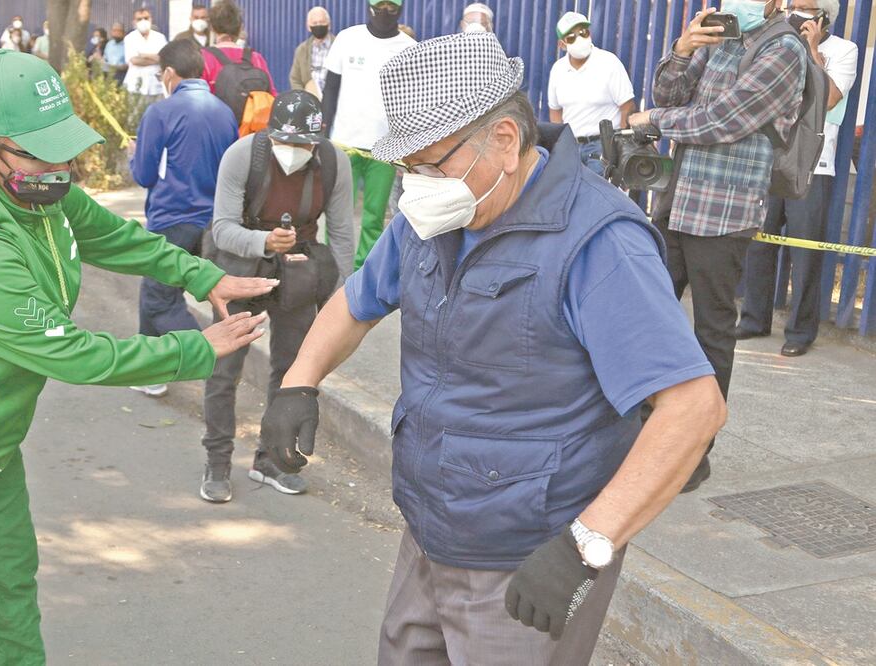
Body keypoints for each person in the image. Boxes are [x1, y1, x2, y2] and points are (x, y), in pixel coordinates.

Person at [259, 33, 725, 664]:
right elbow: (357, 300)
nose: (414, 186)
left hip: (525, 560)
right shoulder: (433, 217)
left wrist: (587, 543)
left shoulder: (598, 242)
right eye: (407, 168)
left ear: (505, 141)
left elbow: (692, 408)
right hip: (430, 531)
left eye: (430, 165)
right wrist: (298, 381)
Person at [0, 48, 274, 664]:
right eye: (43, 150)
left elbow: (111, 234)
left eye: (64, 145)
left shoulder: (38, 192)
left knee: (11, 595)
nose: (63, 165)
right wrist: (191, 349)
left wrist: (202, 276)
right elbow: (73, 355)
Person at [628, 2, 806, 491]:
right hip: (675, 203)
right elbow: (670, 94)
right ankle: (640, 432)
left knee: (711, 333)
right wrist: (682, 51)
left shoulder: (783, 49)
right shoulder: (723, 39)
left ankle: (692, 452)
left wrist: (655, 120)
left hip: (723, 212)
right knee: (646, 321)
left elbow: (724, 121)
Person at [201, 90, 355, 502]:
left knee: (289, 370)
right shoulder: (241, 156)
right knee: (223, 368)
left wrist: (343, 298)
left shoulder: (334, 163)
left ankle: (270, 460)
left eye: (302, 145)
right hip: (241, 266)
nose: (292, 152)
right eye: (284, 143)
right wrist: (265, 240)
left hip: (299, 269)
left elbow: (341, 236)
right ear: (270, 135)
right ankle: (217, 460)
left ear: (316, 141)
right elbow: (222, 229)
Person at [737, 0, 858, 357]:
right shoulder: (777, 42)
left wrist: (812, 48)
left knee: (805, 251)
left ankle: (801, 331)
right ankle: (754, 319)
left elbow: (830, 98)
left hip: (812, 165)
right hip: (770, 158)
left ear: (823, 16)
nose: (796, 11)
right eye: (793, 5)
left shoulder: (844, 50)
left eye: (805, 6)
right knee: (759, 243)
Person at [129, 40, 240, 399]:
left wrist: (134, 155)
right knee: (156, 293)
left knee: (160, 297)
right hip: (212, 222)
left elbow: (145, 175)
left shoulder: (161, 113)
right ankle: (150, 373)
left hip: (171, 217)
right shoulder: (223, 111)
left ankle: (211, 357)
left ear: (169, 73)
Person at [323, 0, 416, 269]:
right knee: (338, 214)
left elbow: (410, 102)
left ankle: (365, 272)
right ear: (369, 6)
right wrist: (322, 133)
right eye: (379, 5)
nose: (385, 11)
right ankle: (334, 266)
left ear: (400, 9)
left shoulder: (408, 48)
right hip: (343, 144)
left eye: (391, 6)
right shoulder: (347, 38)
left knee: (375, 217)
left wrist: (407, 146)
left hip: (384, 149)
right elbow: (330, 88)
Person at [548, 12, 636, 176]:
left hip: (602, 146)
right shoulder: (558, 70)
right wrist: (561, 143)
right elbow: (555, 110)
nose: (580, 39)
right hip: (571, 146)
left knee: (595, 196)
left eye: (583, 33)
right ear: (562, 45)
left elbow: (627, 106)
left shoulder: (609, 63)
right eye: (571, 37)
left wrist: (619, 147)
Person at [201, 0, 277, 96]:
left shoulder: (203, 58)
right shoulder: (256, 58)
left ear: (211, 27)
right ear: (240, 27)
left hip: (214, 111)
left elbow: (197, 99)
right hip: (249, 111)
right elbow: (271, 95)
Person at [124, 8, 168, 101]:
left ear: (151, 19)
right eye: (139, 19)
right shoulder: (130, 38)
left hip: (156, 86)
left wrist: (143, 55)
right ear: (134, 22)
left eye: (146, 18)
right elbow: (134, 60)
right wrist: (155, 58)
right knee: (135, 115)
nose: (143, 21)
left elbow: (164, 58)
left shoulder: (160, 38)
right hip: (135, 87)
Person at [289, 6, 333, 98]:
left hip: (334, 103)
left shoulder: (340, 46)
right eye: (315, 23)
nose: (318, 25)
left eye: (321, 22)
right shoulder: (301, 50)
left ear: (329, 25)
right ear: (309, 27)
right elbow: (295, 79)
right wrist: (303, 98)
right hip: (311, 103)